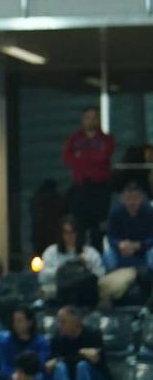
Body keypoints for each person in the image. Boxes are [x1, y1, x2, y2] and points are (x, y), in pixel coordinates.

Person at [63, 106, 115, 250]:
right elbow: (68, 159)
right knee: (79, 227)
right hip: (80, 188)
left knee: (98, 229)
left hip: (100, 188)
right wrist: (87, 157)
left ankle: (97, 260)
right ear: (83, 120)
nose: (91, 121)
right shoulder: (75, 138)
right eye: (88, 118)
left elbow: (102, 157)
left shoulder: (106, 139)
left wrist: (82, 156)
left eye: (94, 118)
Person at [39, 216, 103, 304]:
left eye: (72, 232)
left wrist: (86, 266)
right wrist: (63, 270)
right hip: (58, 296)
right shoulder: (51, 252)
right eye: (66, 233)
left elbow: (100, 274)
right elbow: (42, 277)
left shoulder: (90, 253)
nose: (69, 236)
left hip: (83, 297)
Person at [102, 180, 153, 271]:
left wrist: (139, 245)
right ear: (123, 199)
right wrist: (119, 244)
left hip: (143, 249)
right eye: (128, 198)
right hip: (122, 249)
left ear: (141, 198)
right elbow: (110, 236)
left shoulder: (149, 212)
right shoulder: (115, 213)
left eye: (135, 198)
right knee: (107, 256)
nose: (132, 202)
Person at [46, 304, 106, 380]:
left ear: (76, 322)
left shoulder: (93, 334)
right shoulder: (57, 338)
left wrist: (62, 359)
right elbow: (52, 361)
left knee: (82, 366)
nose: (59, 326)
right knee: (59, 367)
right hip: (67, 374)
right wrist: (81, 354)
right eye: (58, 322)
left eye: (63, 322)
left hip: (93, 374)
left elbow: (98, 360)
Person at [0, 308, 50, 380]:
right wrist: (13, 375)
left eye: (19, 321)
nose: (16, 324)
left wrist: (26, 375)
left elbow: (41, 362)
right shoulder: (5, 342)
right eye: (14, 321)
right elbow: (4, 364)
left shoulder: (41, 342)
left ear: (29, 322)